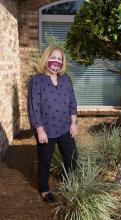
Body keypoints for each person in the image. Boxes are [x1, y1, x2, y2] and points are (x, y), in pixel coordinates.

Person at [27, 45, 78, 203]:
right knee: (45, 161)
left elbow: (72, 102)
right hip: (46, 130)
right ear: (46, 59)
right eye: (53, 57)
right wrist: (40, 130)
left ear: (63, 63)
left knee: (72, 157)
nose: (56, 61)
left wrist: (74, 122)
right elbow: (33, 106)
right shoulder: (37, 80)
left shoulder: (66, 79)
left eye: (59, 59)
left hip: (64, 127)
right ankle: (44, 189)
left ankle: (69, 184)